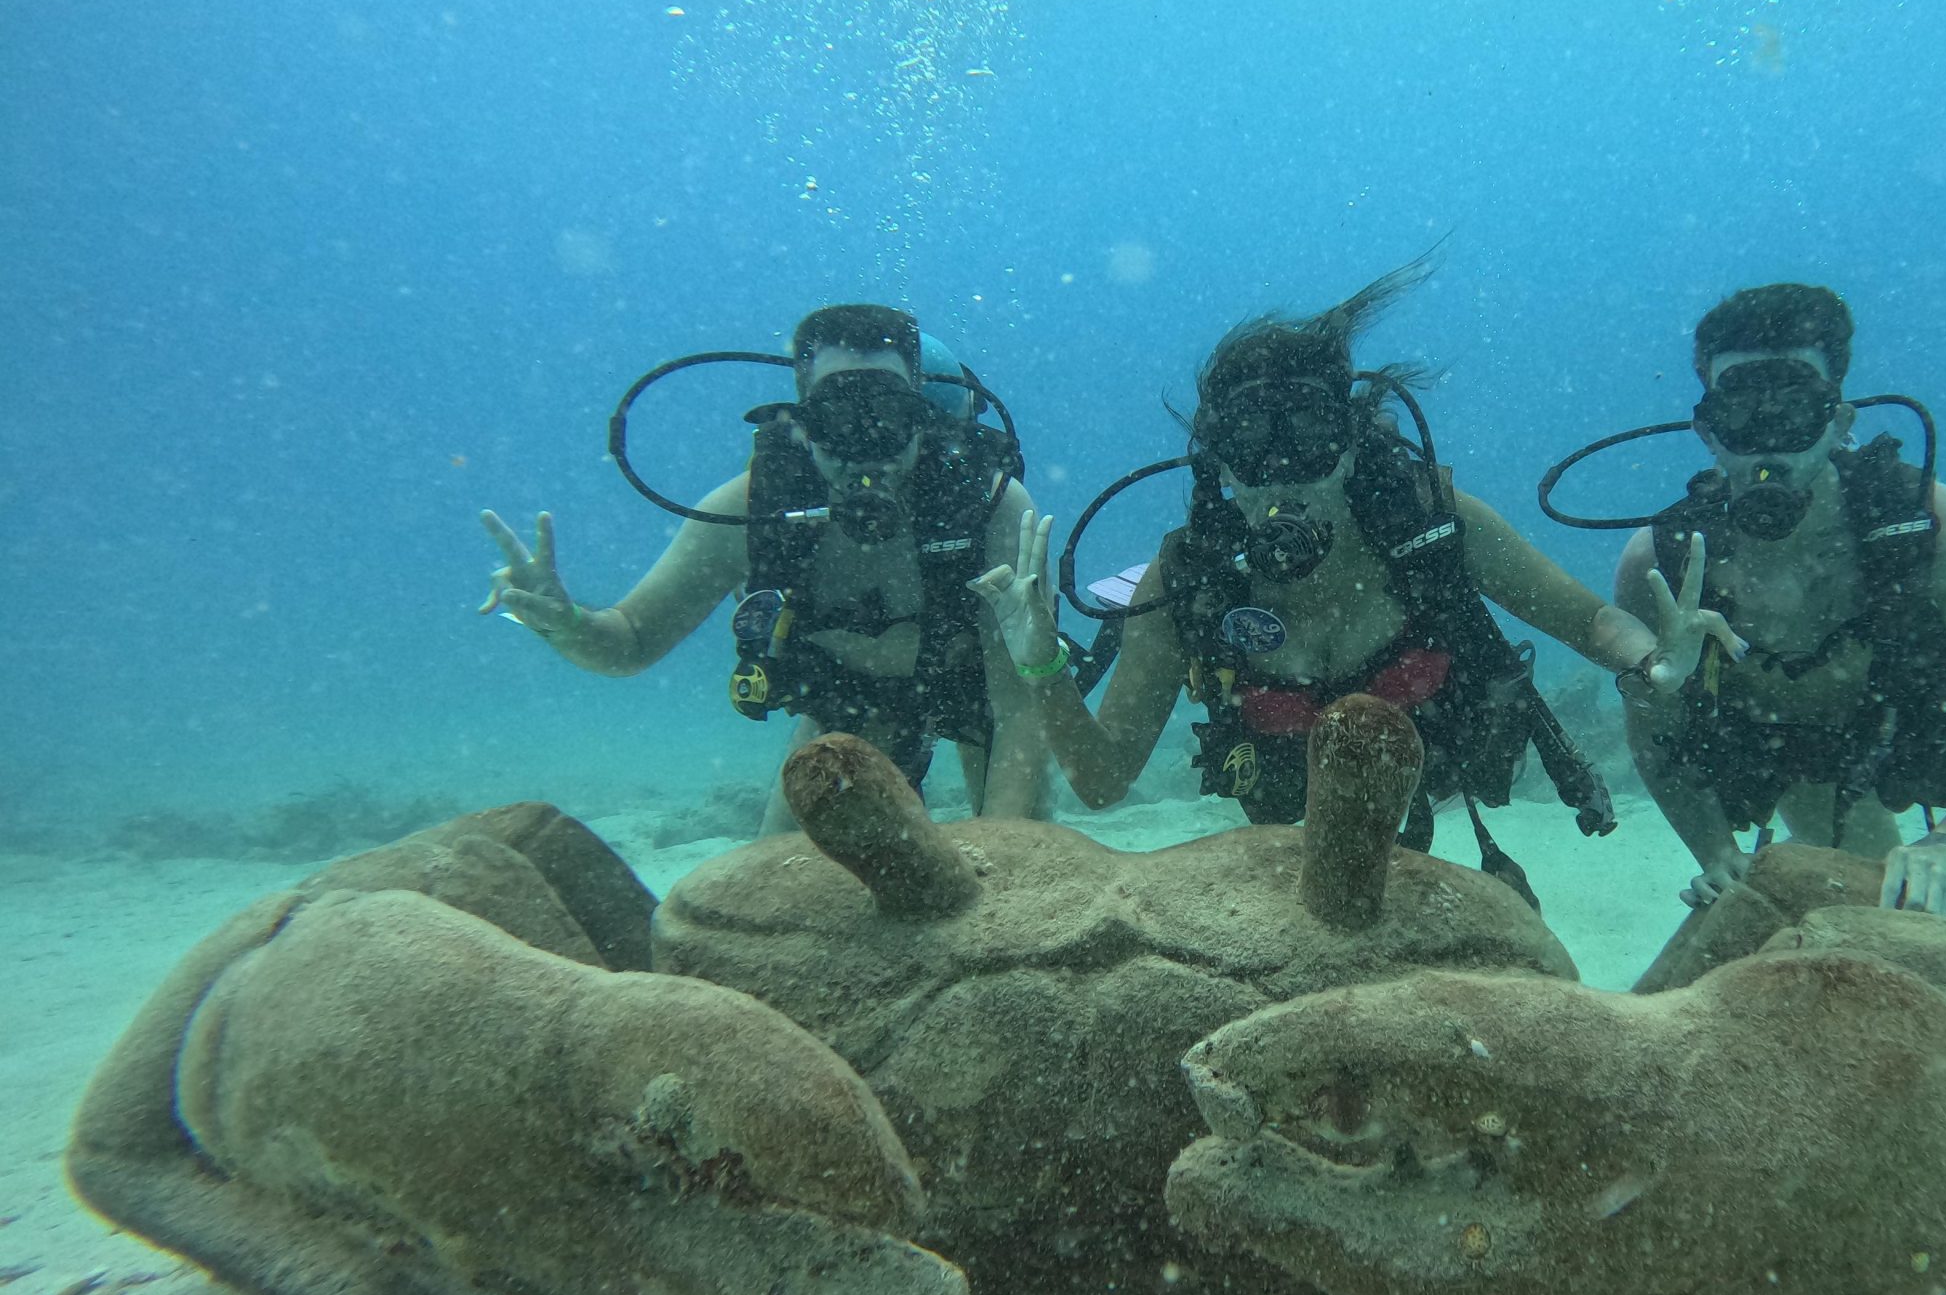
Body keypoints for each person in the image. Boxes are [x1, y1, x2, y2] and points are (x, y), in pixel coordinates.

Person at [967, 256, 1741, 896]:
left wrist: (1652, 660)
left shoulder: (1431, 524)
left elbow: (1588, 621)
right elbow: (1103, 781)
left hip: (1439, 796)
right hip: (1287, 837)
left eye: (1307, 434)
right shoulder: (1189, 579)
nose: (1282, 474)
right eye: (1250, 444)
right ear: (1220, 469)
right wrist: (1042, 664)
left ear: (1348, 443)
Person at [1600, 282, 1946, 914]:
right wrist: (1716, 853)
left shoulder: (1935, 527)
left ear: (1839, 424)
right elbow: (1652, 727)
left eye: (1794, 410)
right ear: (1707, 431)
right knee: (1866, 894)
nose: (1767, 439)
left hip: (1933, 715)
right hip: (1809, 747)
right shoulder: (1662, 563)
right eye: (1742, 411)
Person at [478, 304, 1047, 825]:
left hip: (975, 694)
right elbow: (630, 641)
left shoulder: (991, 508)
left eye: (887, 415)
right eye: (837, 419)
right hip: (844, 707)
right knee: (784, 875)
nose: (865, 446)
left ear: (921, 419)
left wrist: (1005, 860)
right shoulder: (751, 511)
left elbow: (1018, 706)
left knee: (1017, 861)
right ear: (801, 425)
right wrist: (565, 622)